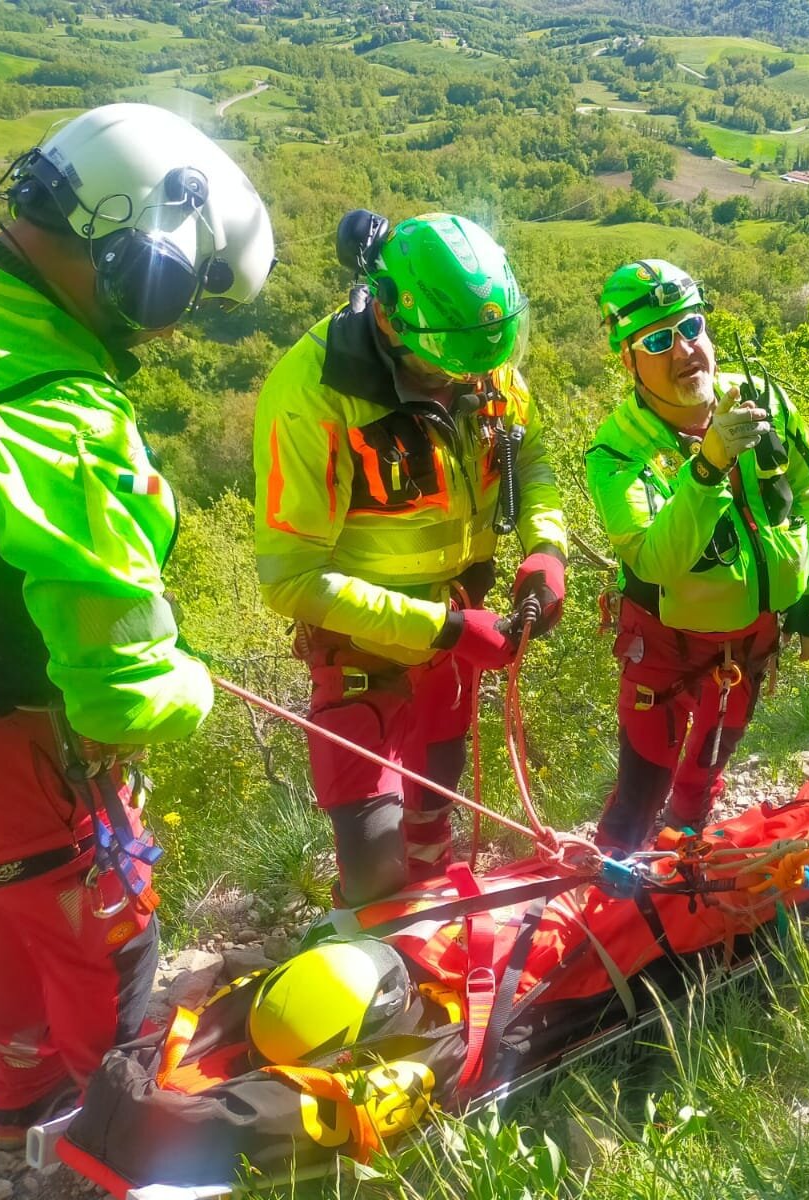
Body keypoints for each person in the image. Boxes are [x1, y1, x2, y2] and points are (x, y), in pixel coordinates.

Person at [0, 102, 275, 1144]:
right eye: (181, 295)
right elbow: (123, 689)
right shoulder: (56, 410)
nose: (169, 323)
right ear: (150, 256)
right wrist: (193, 679)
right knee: (108, 930)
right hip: (4, 726)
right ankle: (112, 1134)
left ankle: (20, 1094)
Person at [254, 212, 567, 905]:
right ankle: (373, 953)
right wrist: (447, 629)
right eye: (445, 370)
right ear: (392, 320)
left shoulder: (480, 363)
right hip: (366, 652)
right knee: (373, 868)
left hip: (458, 629)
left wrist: (546, 547)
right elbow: (289, 578)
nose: (467, 382)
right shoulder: (315, 395)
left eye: (481, 368)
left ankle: (435, 914)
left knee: (436, 799)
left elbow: (531, 455)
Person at [584, 260, 809, 853]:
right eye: (658, 340)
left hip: (751, 639)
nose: (685, 350)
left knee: (704, 774)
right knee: (641, 790)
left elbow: (807, 493)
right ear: (629, 361)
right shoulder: (617, 450)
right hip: (665, 648)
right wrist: (708, 466)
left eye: (691, 326)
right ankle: (612, 890)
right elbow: (655, 561)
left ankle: (685, 874)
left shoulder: (765, 400)